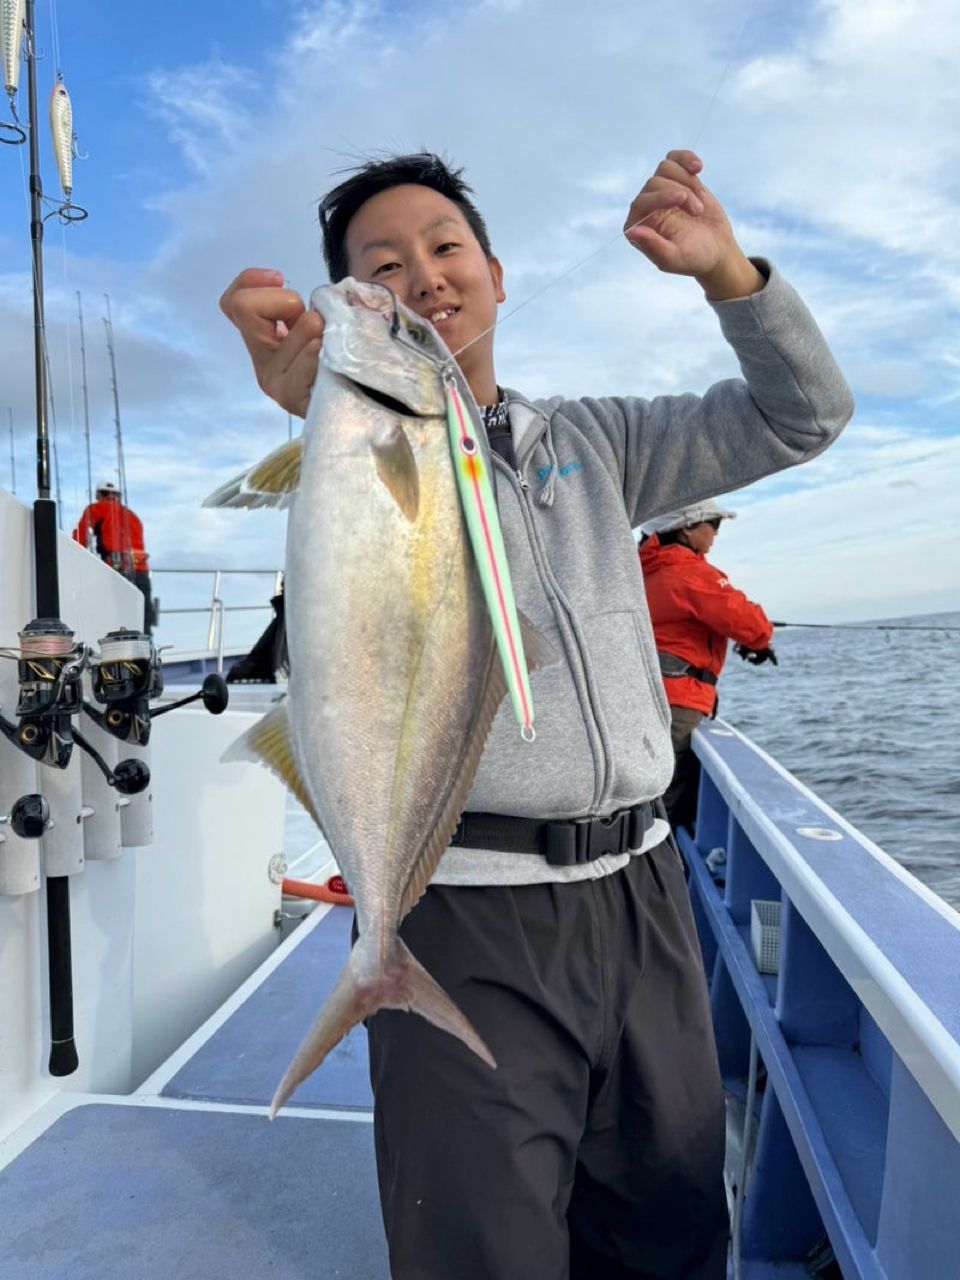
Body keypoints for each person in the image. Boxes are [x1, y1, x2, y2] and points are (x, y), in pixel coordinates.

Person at [218, 148, 854, 1280]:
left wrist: (731, 278)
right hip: (460, 913)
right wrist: (321, 405)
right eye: (379, 266)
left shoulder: (597, 443)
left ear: (499, 276)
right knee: (484, 1249)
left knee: (667, 1231)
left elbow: (805, 414)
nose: (420, 277)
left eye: (444, 247)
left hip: (647, 899)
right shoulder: (347, 443)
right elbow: (368, 576)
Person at [639, 499, 777, 832]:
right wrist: (758, 642)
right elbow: (750, 622)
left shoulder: (644, 571)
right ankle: (664, 876)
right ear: (687, 528)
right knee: (667, 805)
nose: (715, 534)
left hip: (644, 697)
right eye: (713, 525)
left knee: (648, 795)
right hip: (679, 701)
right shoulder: (686, 570)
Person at [72, 480, 155, 633]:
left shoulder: (96, 509)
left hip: (116, 570)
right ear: (118, 496)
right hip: (141, 572)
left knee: (116, 617)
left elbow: (79, 539)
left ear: (98, 495)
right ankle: (147, 651)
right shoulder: (133, 516)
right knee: (143, 619)